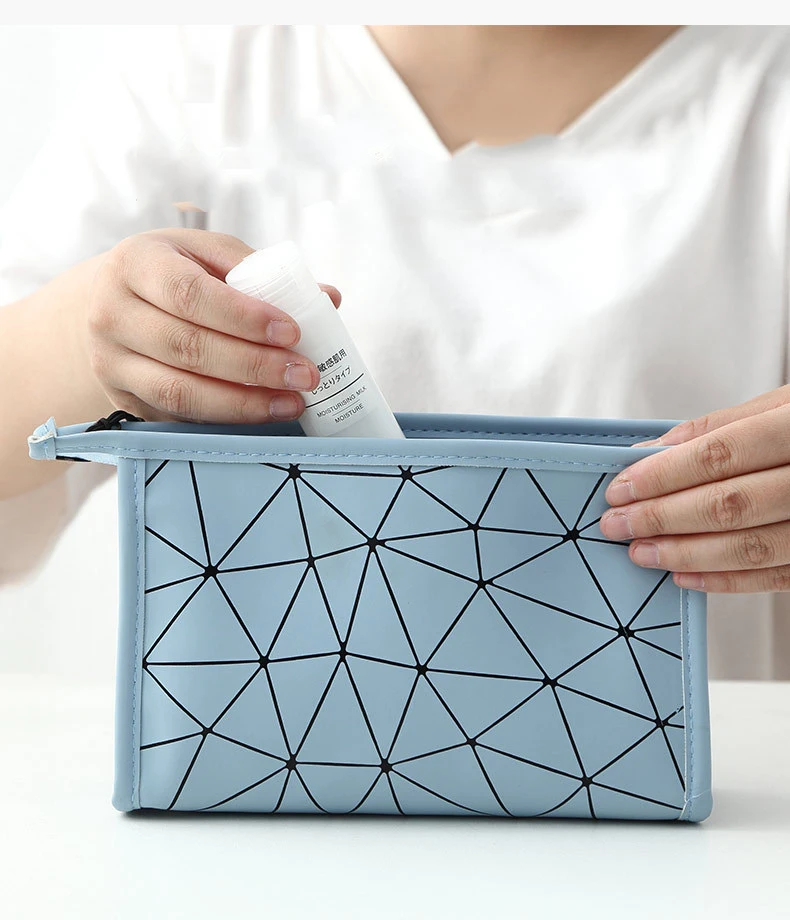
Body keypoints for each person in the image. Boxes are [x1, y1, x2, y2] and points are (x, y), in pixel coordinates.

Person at [1, 25, 790, 678]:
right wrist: (84, 333)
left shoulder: (765, 97)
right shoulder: (195, 82)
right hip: (273, 765)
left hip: (682, 782)